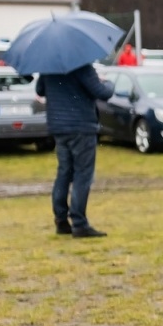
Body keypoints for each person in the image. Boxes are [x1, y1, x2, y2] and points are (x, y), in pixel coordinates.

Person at [38, 63, 113, 238]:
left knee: (64, 172)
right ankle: (79, 223)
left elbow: (40, 90)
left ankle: (61, 219)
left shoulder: (49, 66)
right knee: (82, 174)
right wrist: (108, 82)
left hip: (58, 127)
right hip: (81, 126)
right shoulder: (82, 66)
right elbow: (103, 93)